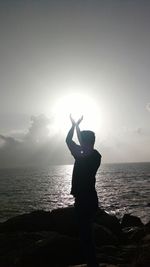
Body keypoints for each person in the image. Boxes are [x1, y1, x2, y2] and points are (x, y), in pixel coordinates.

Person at [66, 114, 101, 267]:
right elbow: (79, 142)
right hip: (91, 199)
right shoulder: (95, 156)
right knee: (87, 234)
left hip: (83, 200)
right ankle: (92, 262)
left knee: (85, 235)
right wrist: (77, 127)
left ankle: (92, 264)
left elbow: (68, 140)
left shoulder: (82, 156)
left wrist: (74, 126)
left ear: (85, 142)